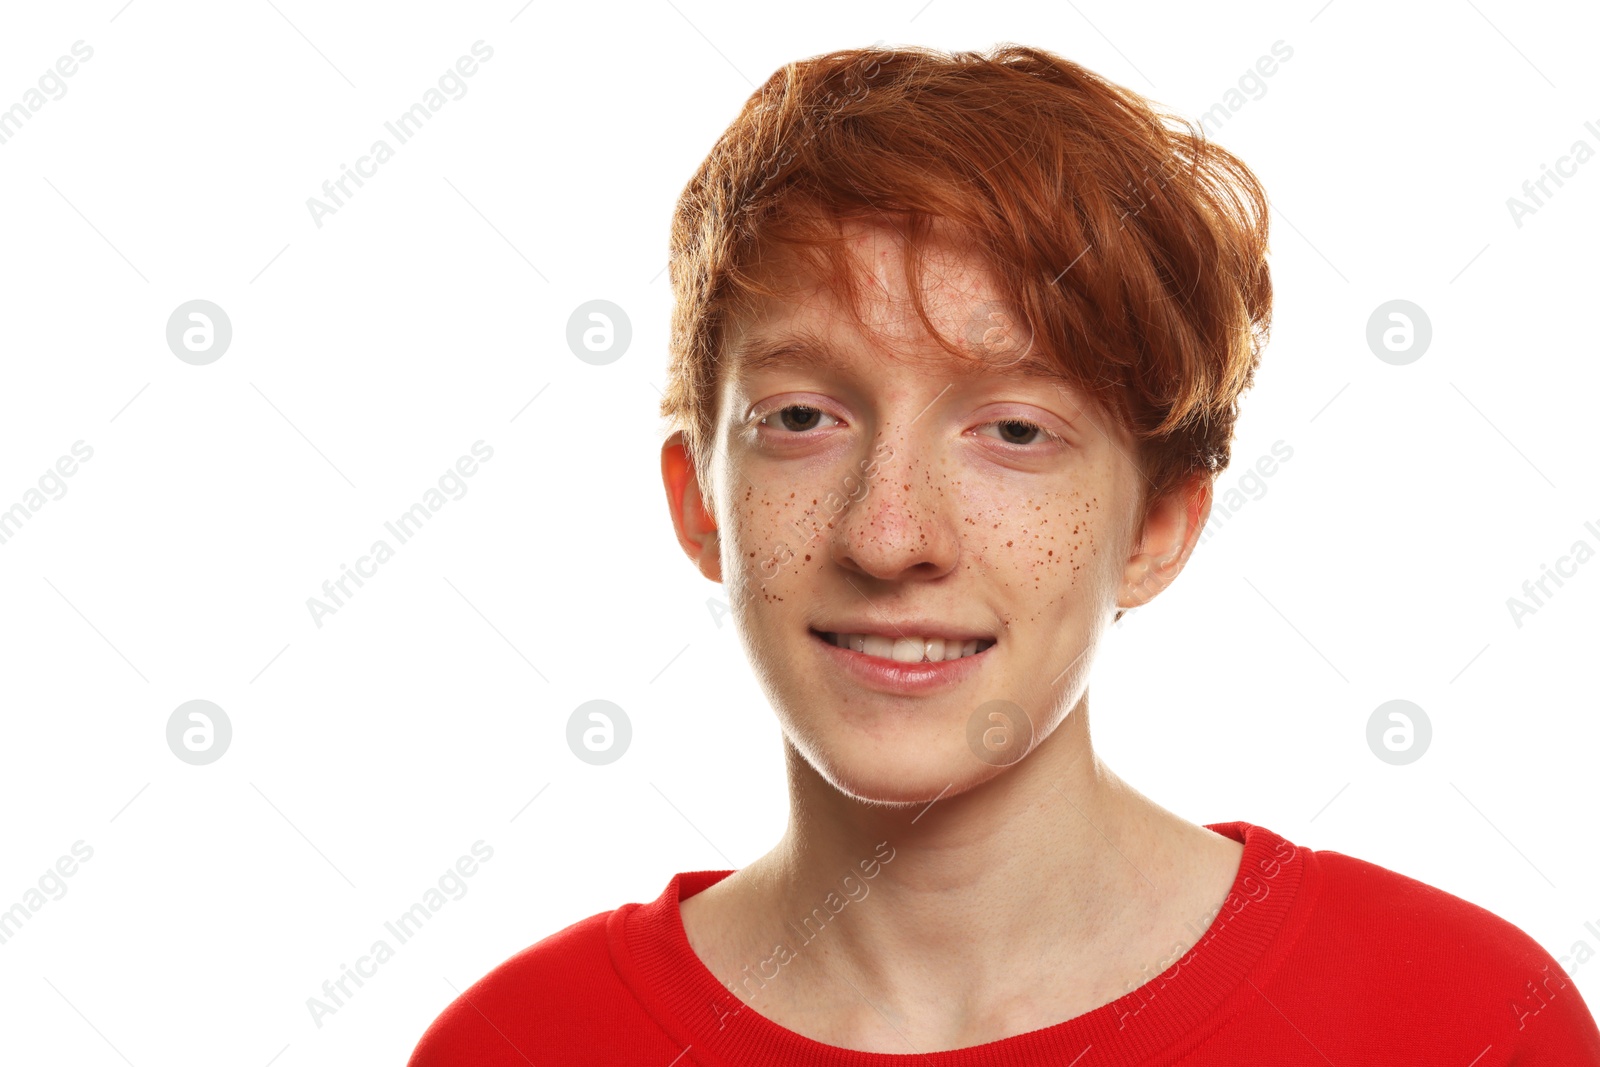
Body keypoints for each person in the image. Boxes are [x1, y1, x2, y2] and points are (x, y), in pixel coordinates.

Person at [406, 43, 1600, 1064]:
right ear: (699, 499)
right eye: (803, 419)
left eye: (1014, 431)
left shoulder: (1459, 1018)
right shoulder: (521, 1041)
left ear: (1159, 525)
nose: (889, 535)